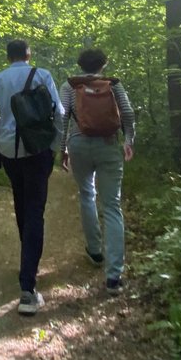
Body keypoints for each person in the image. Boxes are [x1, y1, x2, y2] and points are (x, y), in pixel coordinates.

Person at [0, 39, 65, 315]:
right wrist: (56, 145)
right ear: (28, 54)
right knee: (35, 210)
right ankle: (28, 288)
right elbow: (59, 113)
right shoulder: (42, 75)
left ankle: (26, 262)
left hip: (9, 151)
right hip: (38, 149)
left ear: (8, 56)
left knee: (21, 203)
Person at [59, 47, 135, 295]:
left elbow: (61, 117)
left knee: (86, 194)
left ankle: (94, 251)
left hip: (79, 144)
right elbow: (127, 112)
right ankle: (114, 277)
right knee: (112, 205)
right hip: (109, 144)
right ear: (103, 64)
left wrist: (62, 149)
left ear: (81, 65)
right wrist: (128, 141)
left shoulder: (70, 85)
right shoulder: (113, 84)